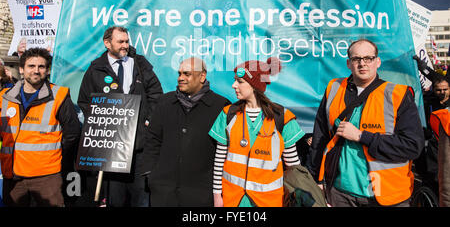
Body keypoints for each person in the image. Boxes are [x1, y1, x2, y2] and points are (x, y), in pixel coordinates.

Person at [307, 39, 424, 207]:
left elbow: (412, 146)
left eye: (368, 58)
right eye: (356, 59)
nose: (362, 64)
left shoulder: (398, 95)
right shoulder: (333, 88)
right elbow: (320, 138)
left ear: (377, 62)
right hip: (339, 194)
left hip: (388, 195)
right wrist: (316, 181)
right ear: (349, 63)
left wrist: (362, 136)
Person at [78, 26, 163, 207]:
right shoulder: (96, 69)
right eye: (120, 42)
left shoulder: (140, 64)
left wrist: (147, 121)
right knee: (116, 200)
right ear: (107, 43)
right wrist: (100, 124)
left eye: (127, 41)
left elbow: (156, 94)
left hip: (139, 146)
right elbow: (85, 102)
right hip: (112, 149)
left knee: (140, 199)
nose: (125, 45)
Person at [209, 57, 305, 207]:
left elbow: (294, 167)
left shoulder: (282, 117)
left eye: (240, 81)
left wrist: (304, 197)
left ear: (255, 86)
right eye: (235, 80)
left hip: (270, 201)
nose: (234, 85)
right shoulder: (228, 114)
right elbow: (219, 160)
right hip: (233, 200)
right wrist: (217, 196)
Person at [141, 57, 230, 206]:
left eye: (187, 74)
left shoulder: (221, 106)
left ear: (202, 76)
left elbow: (224, 151)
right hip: (163, 192)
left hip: (201, 193)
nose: (181, 78)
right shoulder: (164, 101)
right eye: (179, 73)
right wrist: (151, 175)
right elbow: (153, 140)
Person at [0, 47, 81, 207]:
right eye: (31, 66)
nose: (36, 71)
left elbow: (72, 133)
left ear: (47, 70)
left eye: (41, 67)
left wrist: (54, 158)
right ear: (21, 69)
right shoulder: (4, 97)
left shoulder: (59, 96)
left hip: (46, 177)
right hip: (13, 176)